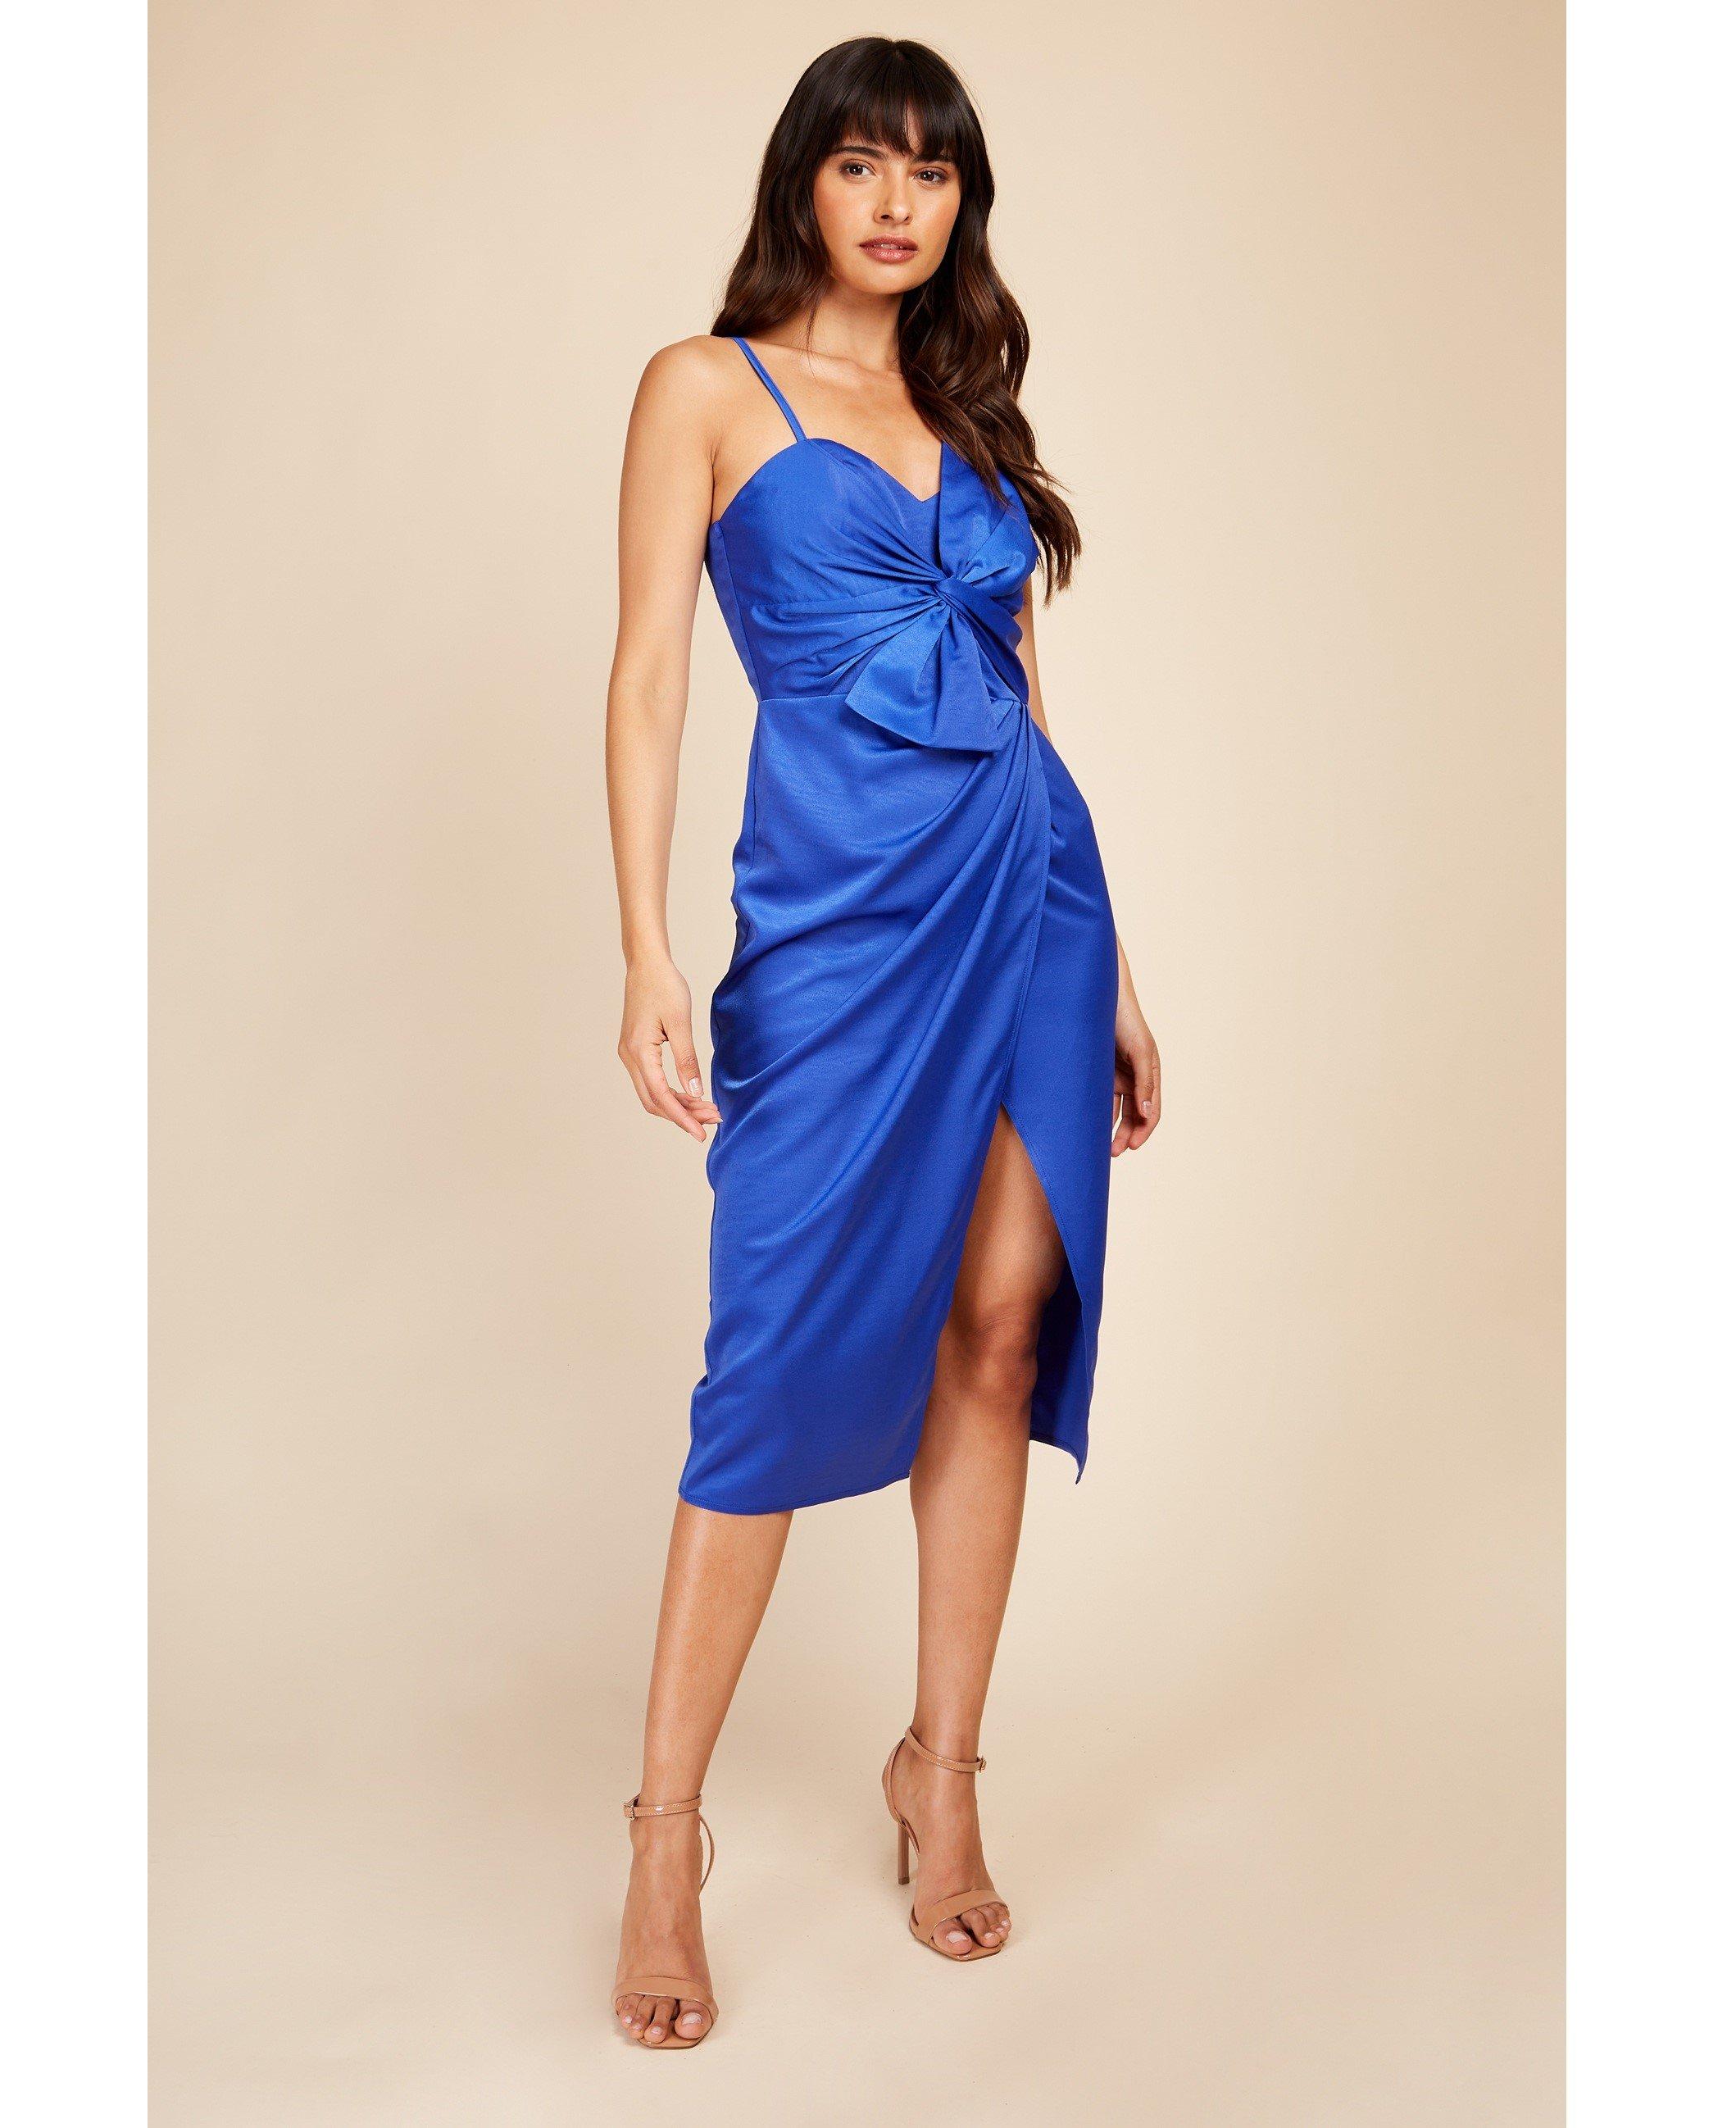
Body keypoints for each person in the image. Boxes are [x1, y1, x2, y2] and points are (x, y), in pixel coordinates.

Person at [602, 36, 1161, 2048]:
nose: (899, 201)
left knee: (997, 1330)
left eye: (932, 171)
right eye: (862, 164)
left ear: (961, 204)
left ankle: (942, 1773)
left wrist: (1114, 971)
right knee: (764, 1359)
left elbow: (1027, 705)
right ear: (805, 185)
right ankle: (663, 1838)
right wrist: (645, 951)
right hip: (838, 931)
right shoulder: (703, 386)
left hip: (1030, 906)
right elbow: (649, 676)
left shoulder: (971, 416)